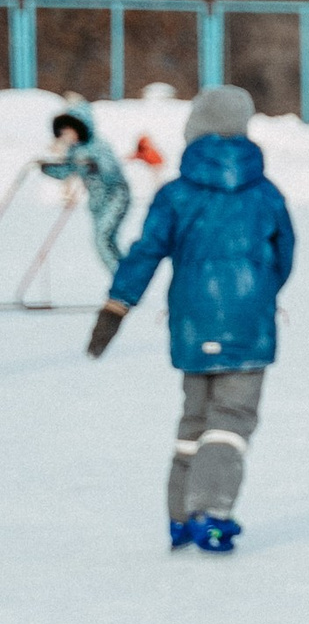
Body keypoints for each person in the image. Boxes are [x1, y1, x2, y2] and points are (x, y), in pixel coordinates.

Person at [87, 83, 295, 551]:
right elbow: (284, 256)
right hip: (249, 327)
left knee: (194, 419)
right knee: (231, 420)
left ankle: (180, 516)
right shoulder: (265, 193)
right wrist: (259, 294)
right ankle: (212, 514)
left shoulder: (175, 195)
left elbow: (144, 254)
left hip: (191, 324)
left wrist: (115, 308)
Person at [39, 95, 132, 274]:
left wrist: (93, 162)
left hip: (115, 197)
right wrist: (48, 168)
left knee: (102, 240)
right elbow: (67, 171)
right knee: (106, 242)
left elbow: (111, 170)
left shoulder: (99, 145)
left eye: (69, 131)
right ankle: (125, 278)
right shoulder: (75, 151)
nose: (66, 136)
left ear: (79, 128)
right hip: (98, 203)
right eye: (63, 132)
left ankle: (123, 284)